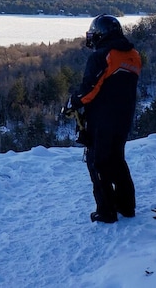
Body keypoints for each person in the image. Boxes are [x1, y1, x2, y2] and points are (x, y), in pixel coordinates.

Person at [63, 14, 142, 223]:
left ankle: (106, 211)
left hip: (102, 119)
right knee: (117, 160)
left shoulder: (102, 56)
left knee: (97, 163)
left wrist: (72, 103)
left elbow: (89, 89)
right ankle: (126, 206)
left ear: (100, 33)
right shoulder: (133, 55)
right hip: (124, 117)